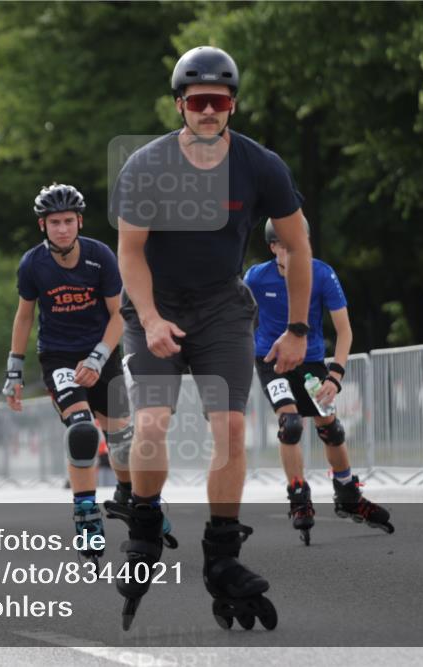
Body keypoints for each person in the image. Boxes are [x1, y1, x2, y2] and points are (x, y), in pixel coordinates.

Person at [110, 45, 313, 631]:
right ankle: (145, 524)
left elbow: (298, 246)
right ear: (180, 106)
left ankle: (222, 556)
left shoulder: (260, 165)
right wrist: (148, 319)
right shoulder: (146, 167)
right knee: (152, 423)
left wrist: (298, 328)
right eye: (197, 101)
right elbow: (130, 251)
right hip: (156, 305)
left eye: (218, 101)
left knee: (229, 426)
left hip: (223, 306)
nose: (208, 111)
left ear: (232, 105)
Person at [3, 183, 134, 570]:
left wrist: (98, 357)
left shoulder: (100, 257)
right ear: (43, 226)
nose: (62, 229)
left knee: (123, 442)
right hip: (59, 357)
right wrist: (14, 370)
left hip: (103, 353)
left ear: (79, 221)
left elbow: (119, 315)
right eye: (54, 222)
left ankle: (131, 497)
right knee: (81, 430)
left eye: (68, 221)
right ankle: (86, 514)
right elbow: (24, 315)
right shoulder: (32, 265)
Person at [245, 219, 394, 545]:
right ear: (273, 247)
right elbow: (237, 316)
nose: (294, 250)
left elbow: (344, 330)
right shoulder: (257, 277)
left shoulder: (322, 273)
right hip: (272, 361)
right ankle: (299, 495)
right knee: (292, 424)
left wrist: (335, 375)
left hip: (310, 361)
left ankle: (348, 494)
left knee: (331, 428)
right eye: (285, 245)